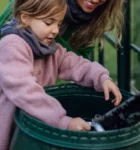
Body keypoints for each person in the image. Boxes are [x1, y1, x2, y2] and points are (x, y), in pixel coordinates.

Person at [0, 0, 122, 149]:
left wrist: (101, 78)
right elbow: (25, 90)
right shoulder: (12, 45)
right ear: (25, 18)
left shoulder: (49, 48)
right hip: (7, 127)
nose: (56, 31)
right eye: (48, 22)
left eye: (58, 24)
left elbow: (75, 64)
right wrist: (63, 122)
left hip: (30, 127)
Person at [56, 0, 124, 59]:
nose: (95, 1)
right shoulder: (49, 4)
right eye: (48, 23)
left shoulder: (94, 20)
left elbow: (82, 64)